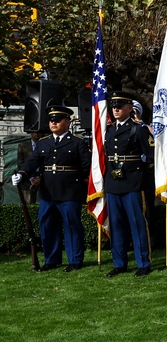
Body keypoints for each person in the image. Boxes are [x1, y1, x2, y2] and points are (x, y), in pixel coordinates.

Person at [12, 107, 90, 271]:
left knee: (71, 225)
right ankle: (51, 259)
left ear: (67, 122)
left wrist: (78, 183)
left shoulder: (77, 141)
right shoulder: (44, 142)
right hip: (48, 192)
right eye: (51, 120)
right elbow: (32, 162)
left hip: (69, 191)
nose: (53, 123)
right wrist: (22, 174)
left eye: (58, 120)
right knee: (47, 225)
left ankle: (75, 260)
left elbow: (86, 166)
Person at [104, 90, 154, 277]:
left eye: (120, 106)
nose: (115, 109)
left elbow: (150, 156)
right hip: (113, 183)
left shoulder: (137, 129)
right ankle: (119, 262)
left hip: (133, 182)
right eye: (114, 106)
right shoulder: (109, 130)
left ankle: (143, 262)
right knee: (116, 225)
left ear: (129, 108)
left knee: (137, 223)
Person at [16, 128, 43, 204]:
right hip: (28, 178)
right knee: (28, 204)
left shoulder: (47, 145)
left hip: (43, 177)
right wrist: (30, 178)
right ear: (30, 132)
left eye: (39, 132)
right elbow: (20, 164)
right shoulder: (23, 146)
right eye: (34, 132)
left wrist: (41, 178)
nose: (37, 134)